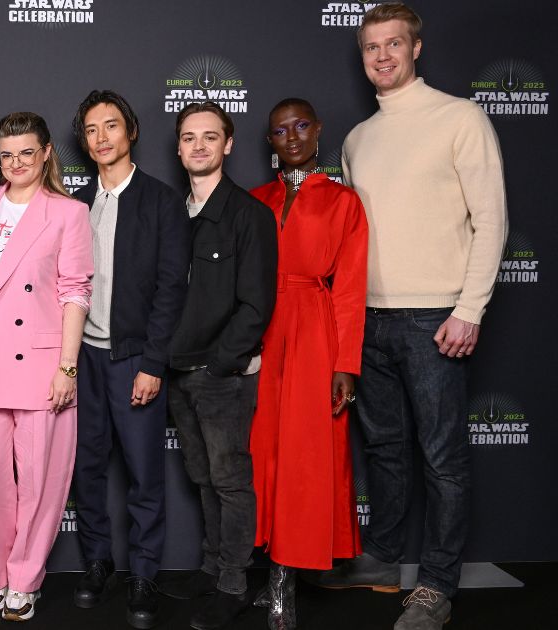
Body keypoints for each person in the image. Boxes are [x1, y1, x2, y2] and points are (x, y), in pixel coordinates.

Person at [316, 5, 508, 629]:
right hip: (368, 319)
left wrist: (469, 309)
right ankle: (382, 557)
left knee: (442, 457)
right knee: (384, 448)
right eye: (371, 47)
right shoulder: (358, 139)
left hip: (436, 316)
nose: (382, 56)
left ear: (416, 48)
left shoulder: (461, 117)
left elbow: (492, 221)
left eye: (394, 44)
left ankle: (436, 585)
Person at [0, 112, 93, 622]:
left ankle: (25, 577)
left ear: (46, 154)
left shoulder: (67, 213)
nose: (16, 163)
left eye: (26, 154)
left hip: (41, 365)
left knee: (40, 479)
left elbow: (76, 292)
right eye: (7, 155)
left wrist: (68, 366)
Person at [69, 89, 191, 629]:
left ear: (131, 131)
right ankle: (98, 561)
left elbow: (171, 290)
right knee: (87, 468)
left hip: (133, 358)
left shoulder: (162, 201)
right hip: (83, 359)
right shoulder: (74, 204)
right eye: (92, 130)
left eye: (110, 126)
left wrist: (153, 363)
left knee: (144, 474)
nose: (101, 138)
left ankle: (144, 573)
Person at [248, 98, 368, 629]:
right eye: (280, 130)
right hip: (260, 331)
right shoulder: (256, 198)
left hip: (315, 329)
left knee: (304, 457)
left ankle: (284, 582)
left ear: (318, 131)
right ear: (269, 141)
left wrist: (346, 363)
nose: (291, 136)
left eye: (300, 126)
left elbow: (351, 289)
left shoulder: (344, 202)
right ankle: (256, 565)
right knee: (260, 451)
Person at [158, 101, 277, 630]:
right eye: (189, 138)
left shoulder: (248, 214)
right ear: (178, 147)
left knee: (230, 479)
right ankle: (211, 570)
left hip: (219, 375)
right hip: (178, 370)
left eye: (211, 137)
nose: (199, 146)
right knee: (202, 477)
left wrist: (222, 364)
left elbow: (257, 304)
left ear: (228, 145)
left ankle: (234, 583)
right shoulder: (171, 213)